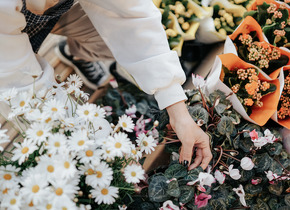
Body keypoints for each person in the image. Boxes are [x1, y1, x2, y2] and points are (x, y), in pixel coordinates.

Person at [0, 0, 212, 170]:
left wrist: (178, 110)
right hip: (4, 39)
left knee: (112, 43)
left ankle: (78, 54)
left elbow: (131, 17)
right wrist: (104, 148)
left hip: (52, 10)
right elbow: (22, 86)